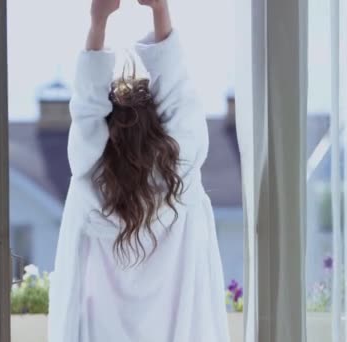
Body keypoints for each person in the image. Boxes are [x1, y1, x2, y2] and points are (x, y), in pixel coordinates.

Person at [48, 0, 230, 341]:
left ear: (105, 131)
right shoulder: (182, 176)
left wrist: (97, 21)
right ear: (161, 129)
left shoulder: (89, 178)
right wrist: (159, 9)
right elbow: (179, 95)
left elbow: (87, 108)